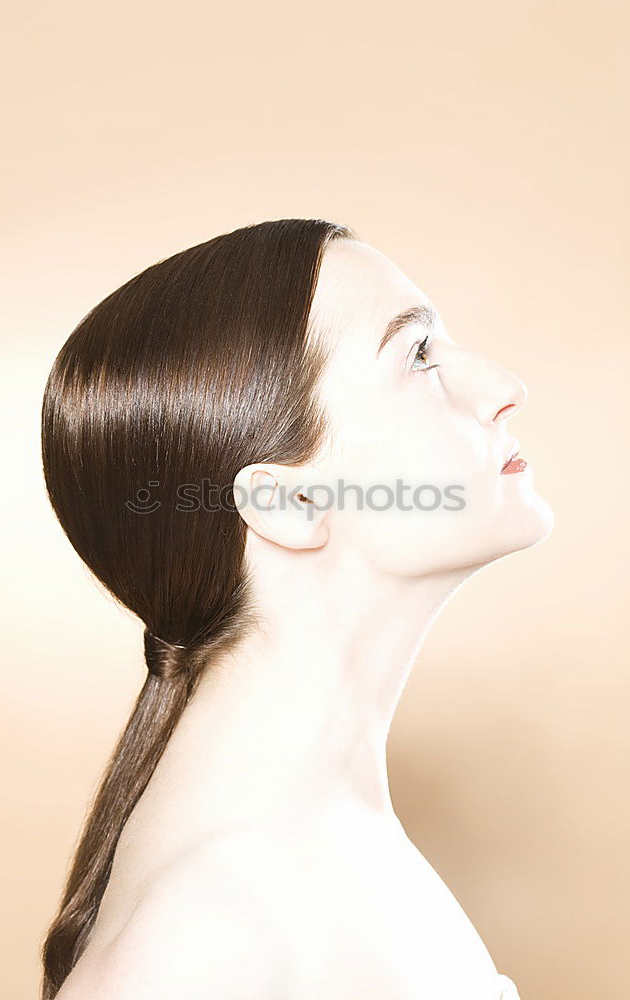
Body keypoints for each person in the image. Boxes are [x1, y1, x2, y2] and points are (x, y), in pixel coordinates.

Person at [40, 218, 552, 999]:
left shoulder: (327, 841)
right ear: (290, 500)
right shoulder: (203, 933)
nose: (503, 387)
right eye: (417, 354)